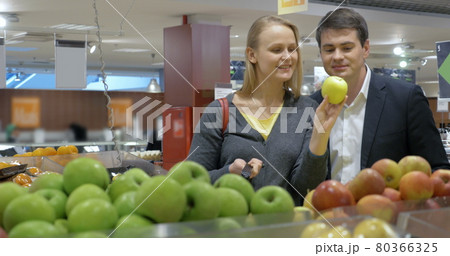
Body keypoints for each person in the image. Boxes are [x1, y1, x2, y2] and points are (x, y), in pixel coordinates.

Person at [187, 15, 345, 205]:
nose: (287, 57)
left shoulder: (308, 110)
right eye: (276, 49)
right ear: (252, 55)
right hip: (233, 229)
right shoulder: (220, 111)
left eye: (292, 49)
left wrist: (321, 136)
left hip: (287, 229)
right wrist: (229, 172)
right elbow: (191, 181)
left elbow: (307, 189)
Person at [310, 8, 450, 184]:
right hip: (327, 211)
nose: (337, 56)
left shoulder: (406, 99)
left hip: (390, 210)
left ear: (365, 48)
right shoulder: (311, 106)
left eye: (347, 48)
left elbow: (438, 171)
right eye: (329, 49)